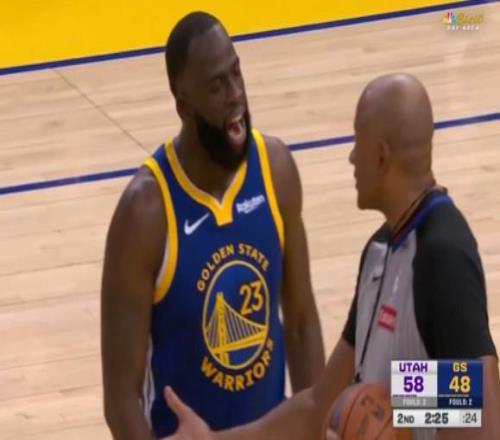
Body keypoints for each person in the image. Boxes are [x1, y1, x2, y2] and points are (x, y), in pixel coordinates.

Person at [163, 73, 500, 440]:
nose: (351, 157)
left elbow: (481, 417)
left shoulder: (443, 256)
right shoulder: (380, 250)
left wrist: (397, 408)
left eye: (357, 141)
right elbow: (318, 406)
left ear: (381, 156)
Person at [100, 11, 325, 439]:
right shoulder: (145, 212)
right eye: (217, 86)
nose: (236, 95)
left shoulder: (276, 170)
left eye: (237, 74)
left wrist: (317, 429)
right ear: (183, 104)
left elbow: (299, 322)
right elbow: (121, 402)